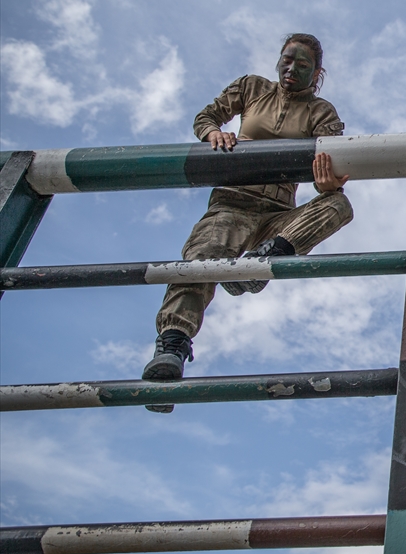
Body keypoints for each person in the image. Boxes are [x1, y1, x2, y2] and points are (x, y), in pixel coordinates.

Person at [141, 34, 353, 409]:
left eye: (303, 66)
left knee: (338, 205)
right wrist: (214, 133)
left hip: (277, 214)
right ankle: (172, 346)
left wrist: (328, 182)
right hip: (233, 202)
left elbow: (331, 156)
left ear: (317, 73)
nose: (291, 69)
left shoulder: (322, 111)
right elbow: (206, 116)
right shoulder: (252, 88)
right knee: (203, 256)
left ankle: (264, 260)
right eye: (287, 60)